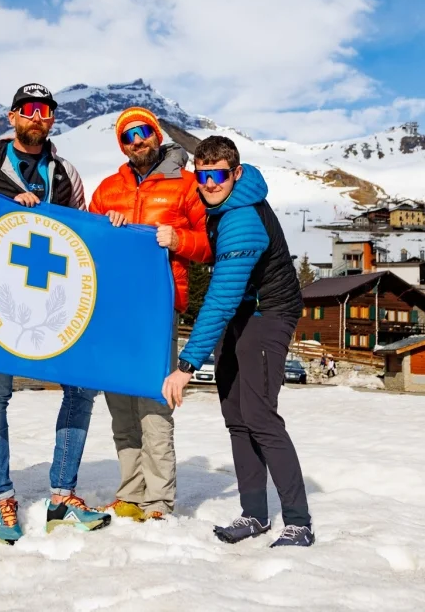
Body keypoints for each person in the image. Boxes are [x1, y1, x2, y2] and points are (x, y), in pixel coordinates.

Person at [0, 83, 110, 543]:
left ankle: (62, 494)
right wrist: (3, 207)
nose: (38, 117)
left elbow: (82, 231)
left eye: (46, 111)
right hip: (1, 300)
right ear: (12, 116)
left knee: (82, 388)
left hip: (54, 299)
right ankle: (3, 497)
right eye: (29, 109)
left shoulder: (65, 171)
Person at [160, 135, 314, 548]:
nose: (210, 183)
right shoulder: (220, 207)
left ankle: (298, 522)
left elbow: (222, 295)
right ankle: (254, 514)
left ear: (236, 173)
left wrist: (186, 365)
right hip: (244, 314)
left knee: (261, 418)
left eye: (219, 175)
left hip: (269, 314)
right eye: (203, 174)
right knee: (236, 416)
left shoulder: (242, 217)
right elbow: (218, 259)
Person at [88, 106, 211, 522]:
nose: (137, 140)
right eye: (128, 136)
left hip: (157, 309)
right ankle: (130, 493)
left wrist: (179, 239)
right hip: (112, 308)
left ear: (156, 134)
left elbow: (208, 245)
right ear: (121, 145)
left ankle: (158, 500)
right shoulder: (107, 189)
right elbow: (86, 245)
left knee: (154, 404)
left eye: (143, 132)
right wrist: (106, 226)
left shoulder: (187, 186)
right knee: (120, 404)